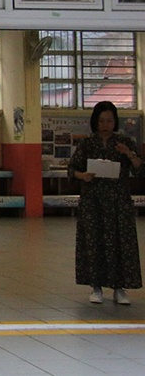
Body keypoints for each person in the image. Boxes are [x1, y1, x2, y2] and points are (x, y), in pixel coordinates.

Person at [68, 100, 142, 305]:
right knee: (94, 241)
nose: (105, 125)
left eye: (109, 120)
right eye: (101, 121)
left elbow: (139, 167)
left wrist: (128, 153)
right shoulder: (87, 144)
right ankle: (96, 287)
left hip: (119, 201)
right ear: (95, 121)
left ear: (115, 121)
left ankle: (120, 288)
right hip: (93, 202)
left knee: (120, 242)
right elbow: (72, 169)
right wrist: (83, 175)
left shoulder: (124, 142)